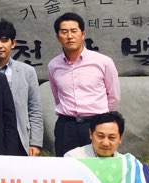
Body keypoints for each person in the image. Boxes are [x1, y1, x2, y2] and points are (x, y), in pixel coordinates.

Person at [47, 12, 120, 158]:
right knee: (65, 165)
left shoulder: (103, 62)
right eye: (64, 32)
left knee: (98, 165)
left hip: (95, 124)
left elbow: (113, 97)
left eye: (74, 31)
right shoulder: (53, 65)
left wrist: (102, 120)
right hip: (66, 126)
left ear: (83, 34)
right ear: (58, 37)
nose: (69, 36)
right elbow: (58, 97)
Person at [0, 19, 44, 156]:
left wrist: (35, 142)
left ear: (13, 43)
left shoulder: (27, 71)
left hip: (18, 134)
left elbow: (34, 108)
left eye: (4, 40)